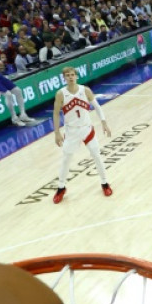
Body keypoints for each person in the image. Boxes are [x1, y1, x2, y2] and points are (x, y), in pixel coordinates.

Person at [51, 67, 113, 204]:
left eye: (72, 75)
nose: (70, 77)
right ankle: (61, 187)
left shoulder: (85, 90)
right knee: (66, 159)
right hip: (71, 131)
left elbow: (97, 106)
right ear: (64, 78)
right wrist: (57, 132)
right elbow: (55, 113)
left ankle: (105, 183)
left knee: (97, 155)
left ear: (76, 76)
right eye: (67, 75)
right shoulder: (60, 94)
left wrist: (104, 122)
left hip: (87, 129)